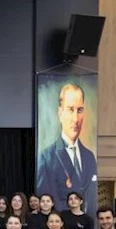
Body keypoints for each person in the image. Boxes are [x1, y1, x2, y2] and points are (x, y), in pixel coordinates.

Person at [36, 83, 98, 213]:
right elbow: (45, 199)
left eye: (79, 110)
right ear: (60, 113)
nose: (75, 119)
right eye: (70, 109)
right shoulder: (46, 157)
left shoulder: (89, 157)